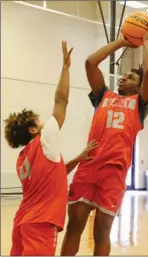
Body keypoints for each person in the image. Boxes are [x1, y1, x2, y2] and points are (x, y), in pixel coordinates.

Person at [61, 26, 148, 256]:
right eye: (124, 75)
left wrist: (146, 42)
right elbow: (90, 63)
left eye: (131, 77)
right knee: (75, 226)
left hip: (114, 172)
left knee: (102, 231)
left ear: (139, 86)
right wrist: (122, 42)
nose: (124, 77)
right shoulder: (103, 96)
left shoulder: (140, 104)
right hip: (89, 166)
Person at [4, 41, 98, 256]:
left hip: (23, 222)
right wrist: (65, 68)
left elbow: (53, 175)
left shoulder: (23, 158)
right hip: (40, 221)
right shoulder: (44, 139)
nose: (44, 122)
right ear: (31, 129)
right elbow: (61, 101)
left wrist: (77, 159)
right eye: (37, 121)